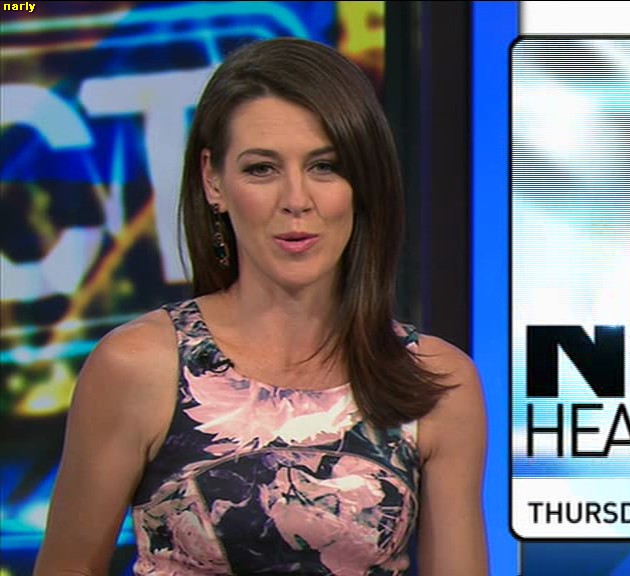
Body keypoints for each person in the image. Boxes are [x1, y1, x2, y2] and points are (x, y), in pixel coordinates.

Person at [34, 37, 488, 575]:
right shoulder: (139, 367)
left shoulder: (435, 382)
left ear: (362, 182)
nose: (296, 200)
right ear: (213, 180)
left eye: (325, 166)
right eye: (261, 169)